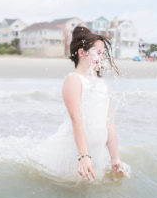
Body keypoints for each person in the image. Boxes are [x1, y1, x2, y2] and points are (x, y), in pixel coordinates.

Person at [32, 26, 131, 183]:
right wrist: (84, 156)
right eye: (98, 53)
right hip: (74, 154)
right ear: (82, 53)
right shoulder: (74, 80)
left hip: (95, 155)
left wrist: (115, 159)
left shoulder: (102, 84)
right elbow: (76, 119)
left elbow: (109, 123)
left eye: (103, 54)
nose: (102, 57)